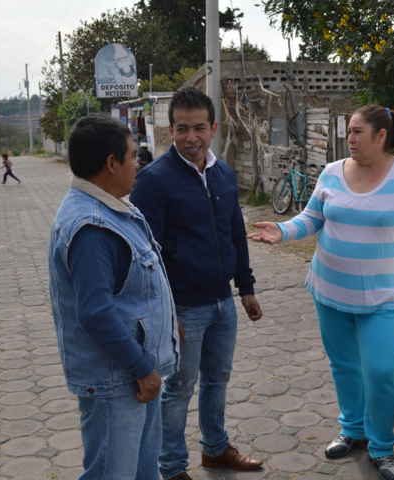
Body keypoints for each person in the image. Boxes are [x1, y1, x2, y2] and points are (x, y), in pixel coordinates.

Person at [248, 105, 394, 480]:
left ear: (381, 135)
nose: (350, 138)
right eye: (349, 131)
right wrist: (283, 231)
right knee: (344, 367)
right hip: (328, 290)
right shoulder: (331, 172)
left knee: (380, 374)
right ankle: (353, 430)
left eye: (358, 131)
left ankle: (382, 447)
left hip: (380, 300)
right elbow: (311, 218)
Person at [130, 87, 263, 480]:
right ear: (171, 130)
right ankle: (171, 468)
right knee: (179, 388)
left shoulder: (224, 174)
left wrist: (246, 288)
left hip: (223, 302)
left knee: (217, 380)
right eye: (183, 128)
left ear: (213, 128)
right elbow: (148, 256)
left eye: (199, 128)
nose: (191, 137)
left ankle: (216, 450)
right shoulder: (153, 181)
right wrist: (167, 314)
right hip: (184, 308)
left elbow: (235, 233)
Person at [48, 115, 179, 480]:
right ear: (111, 163)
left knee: (143, 472)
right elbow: (96, 313)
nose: (138, 164)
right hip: (118, 380)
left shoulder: (112, 209)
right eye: (133, 156)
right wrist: (143, 368)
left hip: (134, 374)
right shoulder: (92, 227)